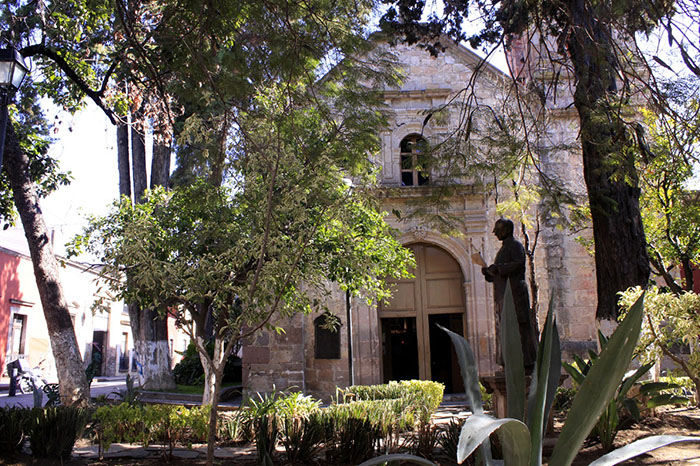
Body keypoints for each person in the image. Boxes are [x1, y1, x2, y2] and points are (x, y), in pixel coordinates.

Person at [482, 218, 538, 371]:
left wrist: (498, 268)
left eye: (498, 230)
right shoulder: (503, 249)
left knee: (519, 326)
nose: (495, 234)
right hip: (503, 296)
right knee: (505, 327)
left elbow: (518, 264)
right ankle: (508, 361)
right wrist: (489, 272)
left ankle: (525, 361)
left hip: (515, 295)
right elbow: (501, 271)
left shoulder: (515, 246)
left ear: (506, 230)